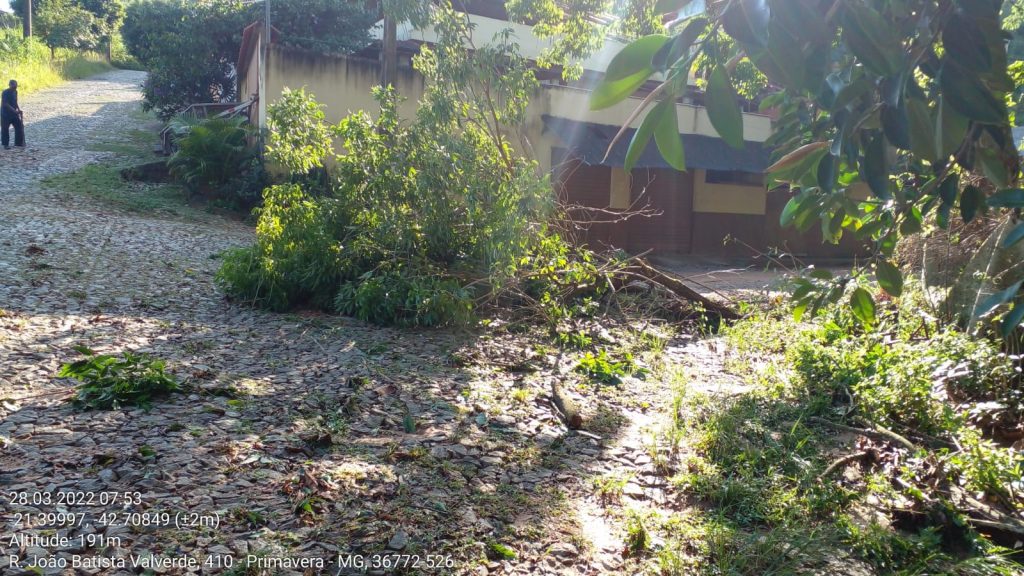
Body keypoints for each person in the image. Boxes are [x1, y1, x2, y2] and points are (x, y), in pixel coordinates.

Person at [1, 79, 24, 150]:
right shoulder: (5, 92)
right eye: (14, 86)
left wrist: (18, 109)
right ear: (10, 85)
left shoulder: (15, 92)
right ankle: (5, 144)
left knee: (19, 126)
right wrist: (15, 111)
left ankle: (18, 143)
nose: (15, 88)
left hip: (14, 114)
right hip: (5, 114)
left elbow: (15, 102)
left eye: (16, 86)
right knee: (5, 129)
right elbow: (5, 104)